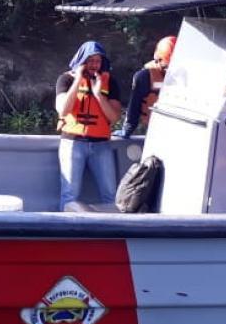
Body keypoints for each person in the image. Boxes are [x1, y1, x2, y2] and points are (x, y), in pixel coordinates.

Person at [55, 41, 122, 211]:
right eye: (90, 60)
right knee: (70, 194)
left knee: (110, 195)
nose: (94, 65)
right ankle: (66, 233)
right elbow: (63, 110)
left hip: (101, 146)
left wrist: (98, 93)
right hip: (72, 144)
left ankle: (111, 234)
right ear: (81, 60)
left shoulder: (110, 83)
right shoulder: (65, 79)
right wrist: (78, 80)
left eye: (97, 61)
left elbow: (114, 117)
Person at [116, 35, 176, 139]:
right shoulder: (144, 77)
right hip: (152, 129)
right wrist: (127, 130)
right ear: (158, 59)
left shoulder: (185, 75)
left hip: (178, 127)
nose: (170, 70)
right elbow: (134, 106)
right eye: (167, 66)